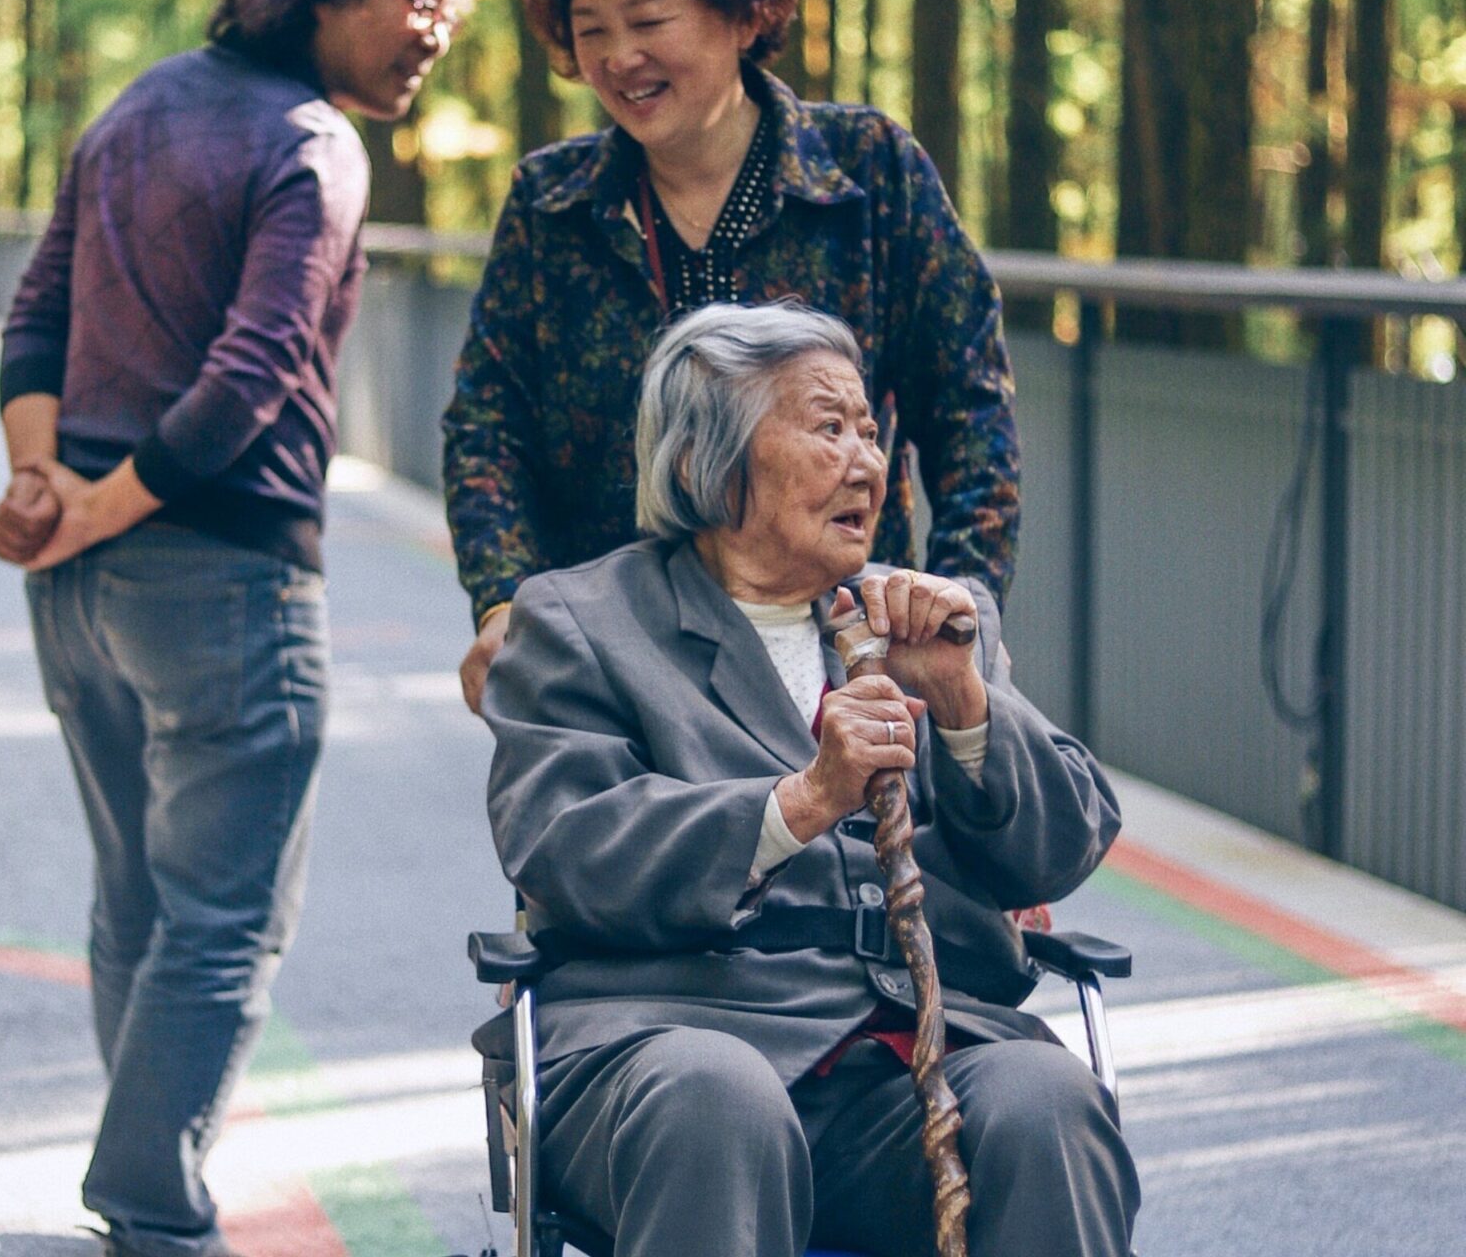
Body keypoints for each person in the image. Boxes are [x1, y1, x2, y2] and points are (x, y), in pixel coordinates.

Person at [0, 0, 491, 1257]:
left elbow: (36, 320)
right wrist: (91, 501)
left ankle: (143, 1185)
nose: (436, 32)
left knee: (138, 905)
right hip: (219, 578)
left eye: (453, 15)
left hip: (81, 585)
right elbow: (254, 372)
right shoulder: (317, 145)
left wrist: (47, 485)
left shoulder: (137, 105)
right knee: (224, 927)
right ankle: (152, 1206)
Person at [482, 302, 1136, 1257]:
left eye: (871, 433)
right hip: (667, 1048)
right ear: (714, 458)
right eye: (829, 429)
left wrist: (962, 701)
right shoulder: (581, 622)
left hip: (904, 1067)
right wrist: (799, 805)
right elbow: (564, 845)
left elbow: (1063, 846)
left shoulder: (930, 624)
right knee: (719, 1100)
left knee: (1047, 1102)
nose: (868, 464)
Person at [443, 0, 1019, 713]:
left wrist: (958, 610)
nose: (618, 57)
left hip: (843, 663)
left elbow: (971, 412)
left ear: (743, 12)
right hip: (616, 668)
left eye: (649, 19)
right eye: (590, 28)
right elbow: (489, 427)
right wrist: (504, 599)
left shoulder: (871, 173)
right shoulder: (549, 205)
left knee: (849, 849)